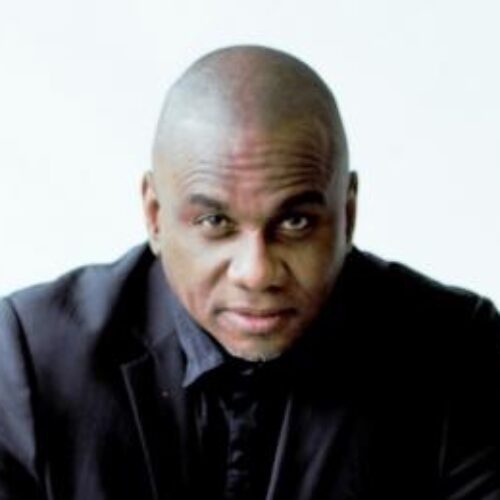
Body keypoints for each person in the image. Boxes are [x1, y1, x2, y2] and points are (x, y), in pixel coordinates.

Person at [0, 45, 499, 500]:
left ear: (348, 214)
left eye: (295, 222)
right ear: (155, 216)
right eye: (215, 222)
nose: (256, 273)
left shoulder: (458, 349)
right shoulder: (31, 361)